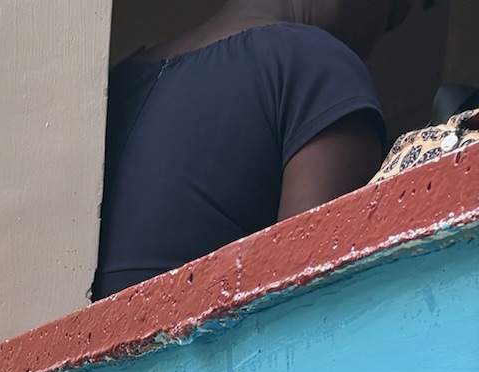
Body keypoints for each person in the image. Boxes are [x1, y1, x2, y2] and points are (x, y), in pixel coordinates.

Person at [94, 0, 409, 301]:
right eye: (393, 11)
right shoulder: (320, 69)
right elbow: (316, 305)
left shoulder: (114, 85)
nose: (391, 19)